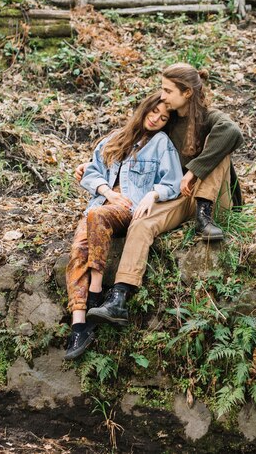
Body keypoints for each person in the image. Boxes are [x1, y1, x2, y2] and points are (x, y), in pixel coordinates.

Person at [86, 63, 244, 328]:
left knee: (221, 146)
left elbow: (234, 133)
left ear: (187, 94)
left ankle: (204, 217)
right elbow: (136, 135)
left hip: (216, 200)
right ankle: (119, 297)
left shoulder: (210, 117)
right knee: (142, 221)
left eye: (168, 90)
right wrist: (93, 166)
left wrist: (193, 171)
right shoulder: (169, 123)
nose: (162, 95)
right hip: (182, 197)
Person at [65, 92, 183, 360]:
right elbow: (92, 171)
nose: (156, 119)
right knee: (78, 249)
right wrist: (108, 191)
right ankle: (79, 324)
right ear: (144, 110)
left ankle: (96, 293)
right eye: (154, 112)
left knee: (96, 216)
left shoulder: (161, 144)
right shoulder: (116, 137)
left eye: (164, 118)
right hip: (104, 203)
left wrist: (152, 196)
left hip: (129, 207)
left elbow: (172, 182)